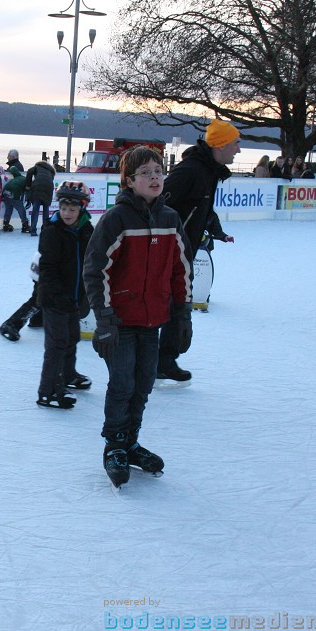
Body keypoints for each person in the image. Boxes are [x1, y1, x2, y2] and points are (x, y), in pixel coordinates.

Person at [84, 146, 191, 488]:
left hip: (153, 320)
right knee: (122, 384)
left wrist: (182, 314)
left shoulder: (170, 219)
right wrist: (103, 320)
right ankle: (114, 445)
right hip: (120, 320)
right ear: (129, 181)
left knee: (143, 384)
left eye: (158, 170)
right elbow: (95, 269)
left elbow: (181, 269)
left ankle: (131, 441)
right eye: (145, 172)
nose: (155, 177)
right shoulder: (117, 219)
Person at [157, 118, 237, 383]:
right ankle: (147, 360)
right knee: (166, 304)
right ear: (221, 145)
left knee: (178, 306)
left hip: (184, 252)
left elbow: (200, 209)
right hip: (170, 253)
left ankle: (164, 361)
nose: (238, 150)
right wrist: (169, 241)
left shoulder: (209, 171)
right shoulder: (192, 170)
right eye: (235, 144)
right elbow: (159, 204)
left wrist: (215, 231)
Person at [35, 181, 94, 408]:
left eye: (72, 209)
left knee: (72, 338)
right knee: (57, 344)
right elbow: (47, 269)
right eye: (63, 208)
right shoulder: (52, 231)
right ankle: (48, 390)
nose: (67, 213)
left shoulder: (86, 229)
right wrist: (57, 296)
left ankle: (68, 375)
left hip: (75, 297)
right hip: (54, 299)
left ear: (82, 209)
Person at [26, 159, 56, 236]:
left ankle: (33, 230)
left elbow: (29, 171)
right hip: (48, 187)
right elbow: (50, 179)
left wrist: (28, 186)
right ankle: (45, 230)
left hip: (38, 186)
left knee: (36, 209)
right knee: (46, 210)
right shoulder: (50, 170)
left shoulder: (37, 166)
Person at [1, 162, 29, 233]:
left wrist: (10, 168)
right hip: (14, 192)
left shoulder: (18, 176)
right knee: (21, 209)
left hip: (6, 191)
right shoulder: (27, 182)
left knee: (9, 208)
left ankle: (6, 224)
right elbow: (27, 192)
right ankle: (25, 225)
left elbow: (13, 169)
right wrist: (29, 201)